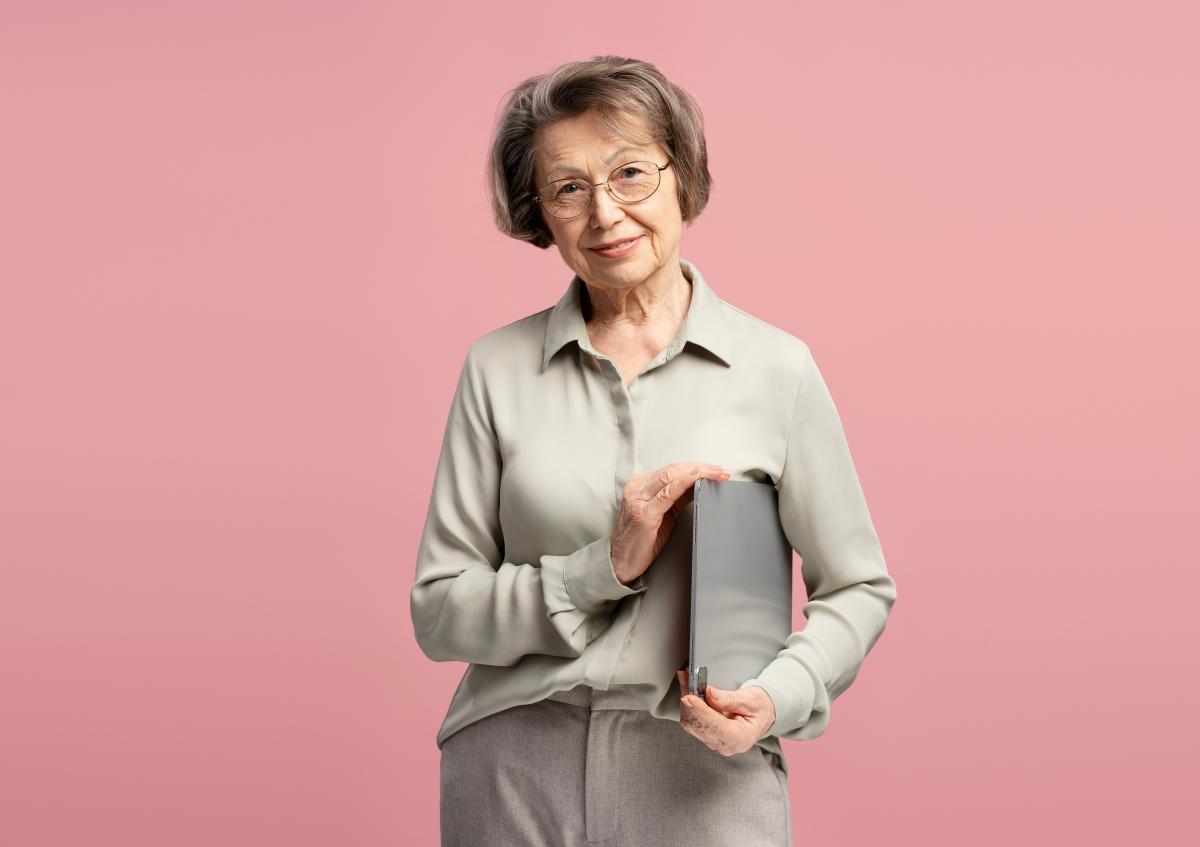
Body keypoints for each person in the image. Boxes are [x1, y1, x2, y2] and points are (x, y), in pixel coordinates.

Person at [411, 55, 898, 846]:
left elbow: (861, 587)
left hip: (706, 775)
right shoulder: (493, 369)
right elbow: (438, 611)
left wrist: (779, 695)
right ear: (541, 213)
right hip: (512, 768)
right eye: (569, 187)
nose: (605, 213)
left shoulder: (779, 368)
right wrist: (602, 566)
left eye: (630, 172)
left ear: (683, 176)